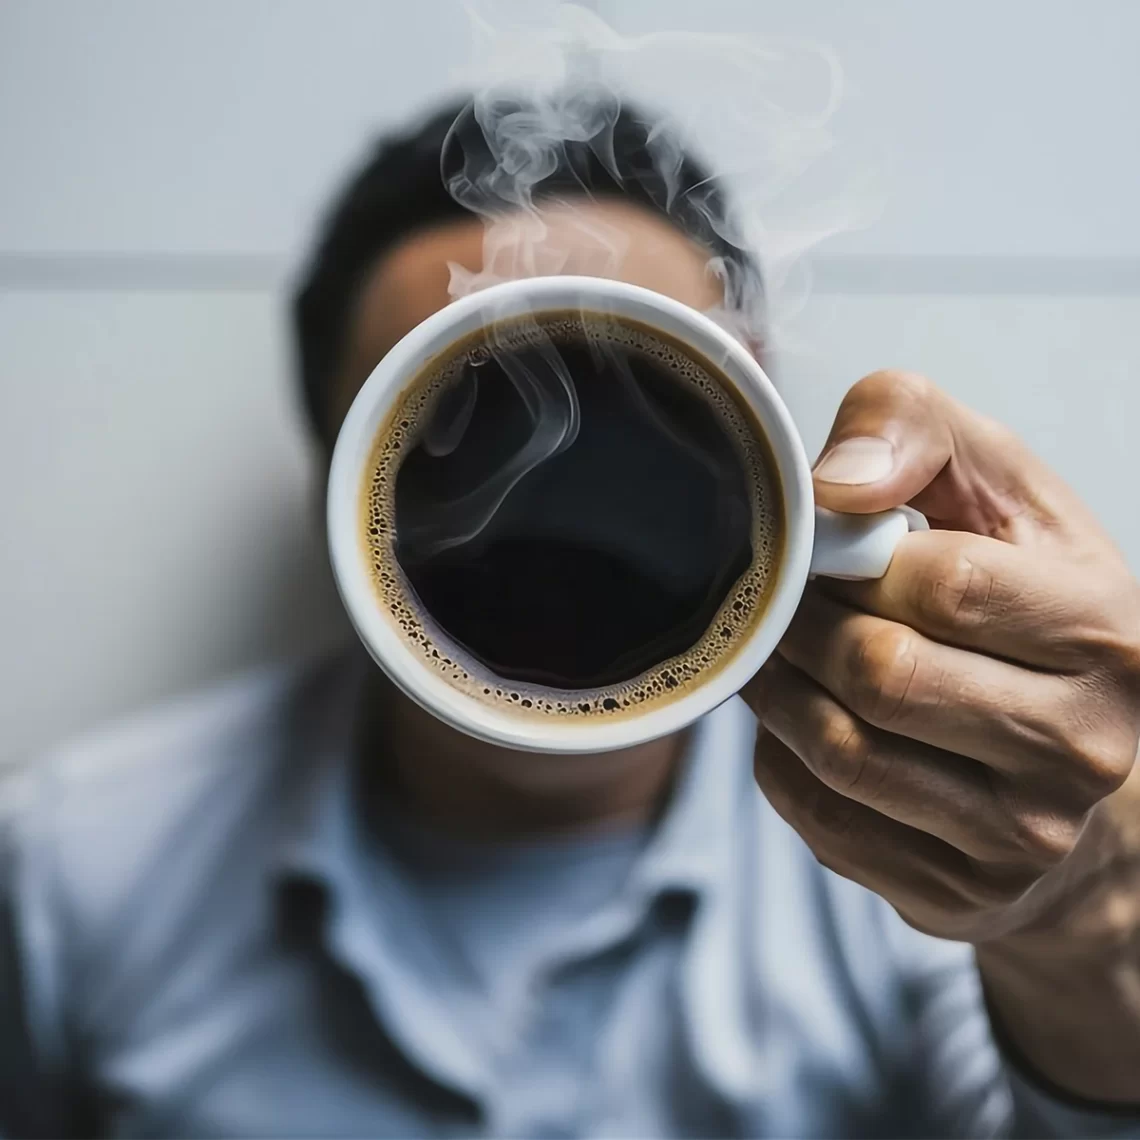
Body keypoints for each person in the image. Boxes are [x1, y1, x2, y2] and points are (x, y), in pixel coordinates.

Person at [2, 95, 1139, 1140]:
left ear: (781, 474)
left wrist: (1079, 923)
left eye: (643, 415)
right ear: (333, 504)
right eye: (463, 432)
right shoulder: (73, 870)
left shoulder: (932, 860)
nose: (551, 505)